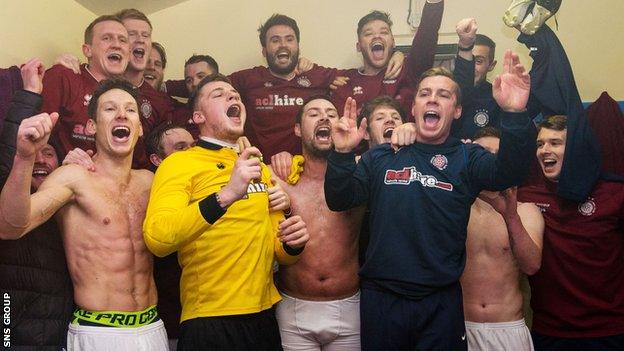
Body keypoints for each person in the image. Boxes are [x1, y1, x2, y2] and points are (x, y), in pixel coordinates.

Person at [324, 38, 534, 350]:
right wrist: (341, 155)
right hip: (383, 299)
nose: (432, 100)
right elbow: (339, 199)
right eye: (425, 94)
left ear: (457, 110)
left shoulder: (468, 158)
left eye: (443, 95)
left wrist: (514, 113)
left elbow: (510, 173)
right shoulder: (383, 155)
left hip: (440, 300)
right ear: (414, 107)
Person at [143, 73, 309, 350]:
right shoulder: (179, 163)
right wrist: (225, 196)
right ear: (197, 117)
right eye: (218, 94)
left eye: (234, 93)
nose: (233, 96)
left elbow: (280, 252)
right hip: (210, 320)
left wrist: (293, 243)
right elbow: (158, 239)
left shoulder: (256, 164)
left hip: (264, 316)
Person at [0, 79, 167, 350]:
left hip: (152, 328)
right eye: (110, 109)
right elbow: (10, 227)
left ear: (138, 129)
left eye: (130, 110)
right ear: (92, 126)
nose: (122, 114)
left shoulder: (151, 182)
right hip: (98, 332)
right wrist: (24, 157)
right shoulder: (73, 178)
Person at [517, 115, 624, 351]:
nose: (544, 150)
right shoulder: (527, 198)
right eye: (540, 144)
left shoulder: (615, 193)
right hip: (550, 332)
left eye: (555, 143)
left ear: (576, 147)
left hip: (609, 331)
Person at [272, 96, 364, 350]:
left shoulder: (363, 173)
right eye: (314, 113)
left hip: (349, 307)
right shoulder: (278, 177)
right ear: (298, 129)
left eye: (331, 113)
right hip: (294, 308)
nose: (324, 117)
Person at [0, 59, 74, 350]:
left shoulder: (64, 202)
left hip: (59, 335)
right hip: (11, 331)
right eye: (35, 152)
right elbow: (9, 150)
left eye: (50, 153)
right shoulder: (7, 189)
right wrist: (31, 91)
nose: (42, 159)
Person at [461, 127, 544, 351]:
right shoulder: (452, 208)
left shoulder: (527, 211)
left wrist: (510, 215)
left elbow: (532, 265)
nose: (491, 160)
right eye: (483, 152)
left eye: (498, 154)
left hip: (507, 328)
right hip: (459, 327)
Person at [331, 0, 444, 118]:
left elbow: (427, 36)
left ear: (393, 43)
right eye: (368, 34)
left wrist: (434, 3)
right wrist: (328, 80)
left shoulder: (407, 70)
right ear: (359, 47)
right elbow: (313, 74)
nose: (377, 36)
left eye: (384, 32)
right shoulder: (345, 80)